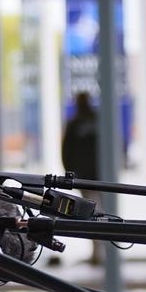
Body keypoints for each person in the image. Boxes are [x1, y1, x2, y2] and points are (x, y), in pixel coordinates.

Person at [61, 91, 103, 265]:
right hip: (99, 177)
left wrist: (71, 174)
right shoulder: (98, 121)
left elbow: (66, 153)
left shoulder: (74, 124)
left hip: (86, 177)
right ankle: (101, 252)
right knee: (101, 214)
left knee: (92, 214)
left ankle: (98, 252)